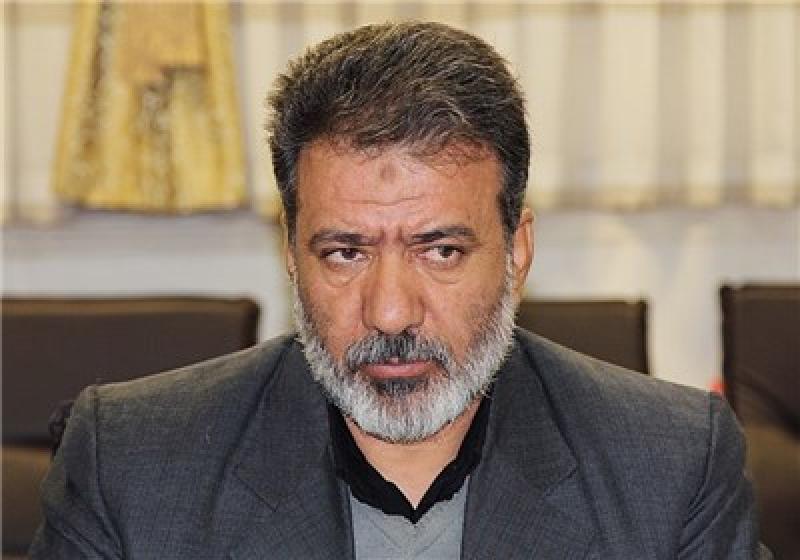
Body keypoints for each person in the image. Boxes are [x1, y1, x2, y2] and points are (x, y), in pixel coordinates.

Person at [31, 21, 769, 559]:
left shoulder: (670, 464)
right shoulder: (131, 461)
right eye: (345, 252)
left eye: (441, 250)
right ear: (290, 252)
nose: (389, 311)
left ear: (517, 252)